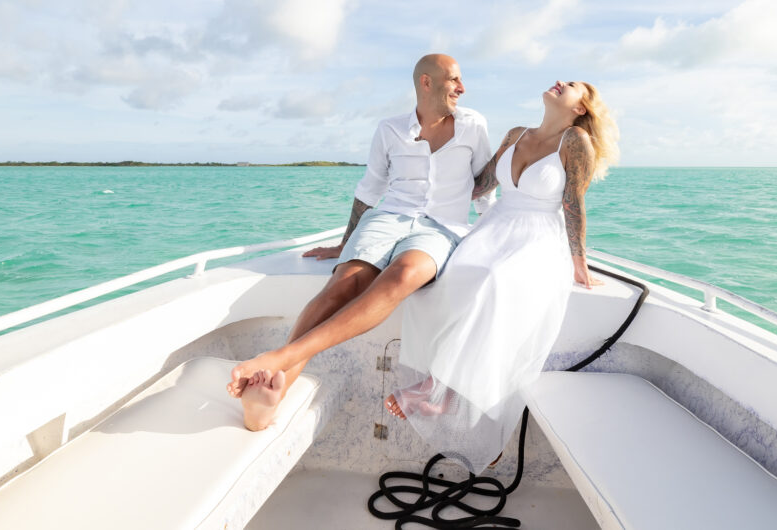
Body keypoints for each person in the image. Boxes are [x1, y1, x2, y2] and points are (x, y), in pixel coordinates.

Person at [226, 54, 495, 430]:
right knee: (344, 284)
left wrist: (492, 235)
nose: (462, 88)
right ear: (426, 82)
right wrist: (344, 243)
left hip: (441, 228)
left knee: (403, 276)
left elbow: (483, 187)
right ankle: (272, 396)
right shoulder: (389, 129)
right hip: (387, 219)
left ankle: (279, 359)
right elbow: (370, 189)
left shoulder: (473, 125)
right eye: (453, 79)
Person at [383, 80, 620, 474]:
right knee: (446, 276)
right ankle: (439, 387)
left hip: (538, 237)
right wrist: (425, 186)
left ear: (580, 108)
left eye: (571, 85)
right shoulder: (515, 134)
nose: (560, 83)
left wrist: (579, 261)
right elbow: (482, 184)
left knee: (492, 279)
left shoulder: (576, 140)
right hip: (494, 227)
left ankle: (438, 390)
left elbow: (573, 203)